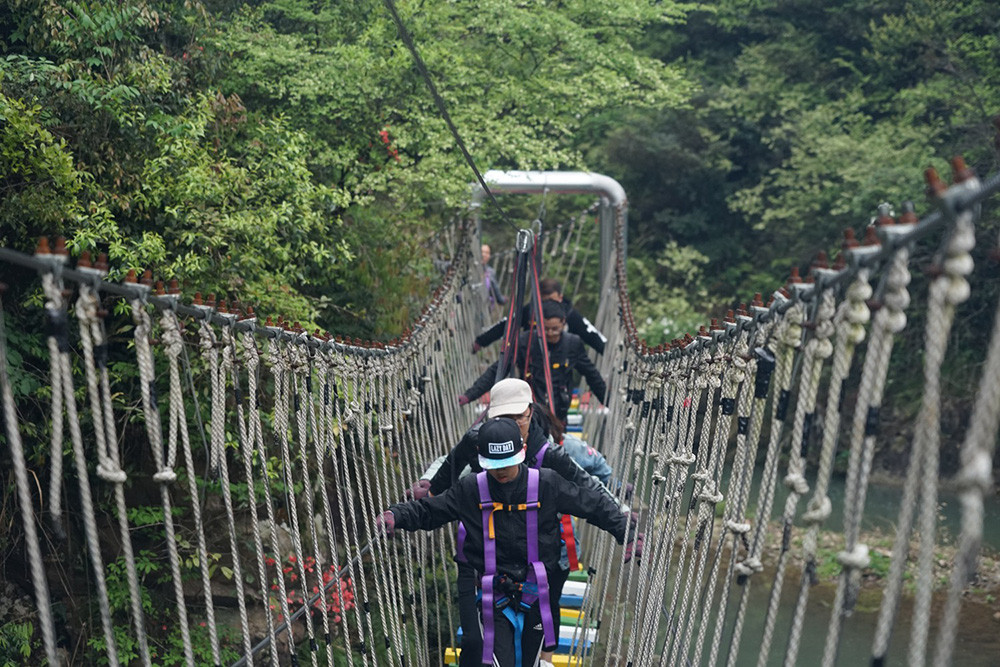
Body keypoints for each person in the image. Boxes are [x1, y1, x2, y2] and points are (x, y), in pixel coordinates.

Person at [379, 417, 642, 667]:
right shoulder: (470, 489)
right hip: (494, 596)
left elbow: (593, 505)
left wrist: (626, 533)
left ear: (523, 451)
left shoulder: (547, 484)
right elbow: (429, 511)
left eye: (508, 462)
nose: (501, 470)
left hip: (537, 594)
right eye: (494, 464)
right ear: (481, 458)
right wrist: (396, 515)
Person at [461, 300, 607, 423]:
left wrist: (608, 400)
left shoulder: (572, 344)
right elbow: (498, 370)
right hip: (530, 412)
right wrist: (470, 395)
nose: (550, 334)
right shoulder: (525, 342)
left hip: (559, 415)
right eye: (546, 329)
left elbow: (592, 375)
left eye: (555, 329)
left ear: (564, 323)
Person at [472, 278, 606, 355]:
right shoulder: (530, 311)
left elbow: (592, 336)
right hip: (533, 363)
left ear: (560, 298)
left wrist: (608, 353)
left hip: (562, 364)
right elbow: (506, 325)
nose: (548, 306)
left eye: (552, 301)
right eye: (544, 302)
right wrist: (481, 341)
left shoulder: (570, 315)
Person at [482, 244, 507, 309]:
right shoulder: (489, 272)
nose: (484, 255)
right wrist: (503, 300)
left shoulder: (490, 272)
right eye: (482, 252)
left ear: (489, 256)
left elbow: (495, 290)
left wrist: (502, 299)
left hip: (484, 307)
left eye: (486, 253)